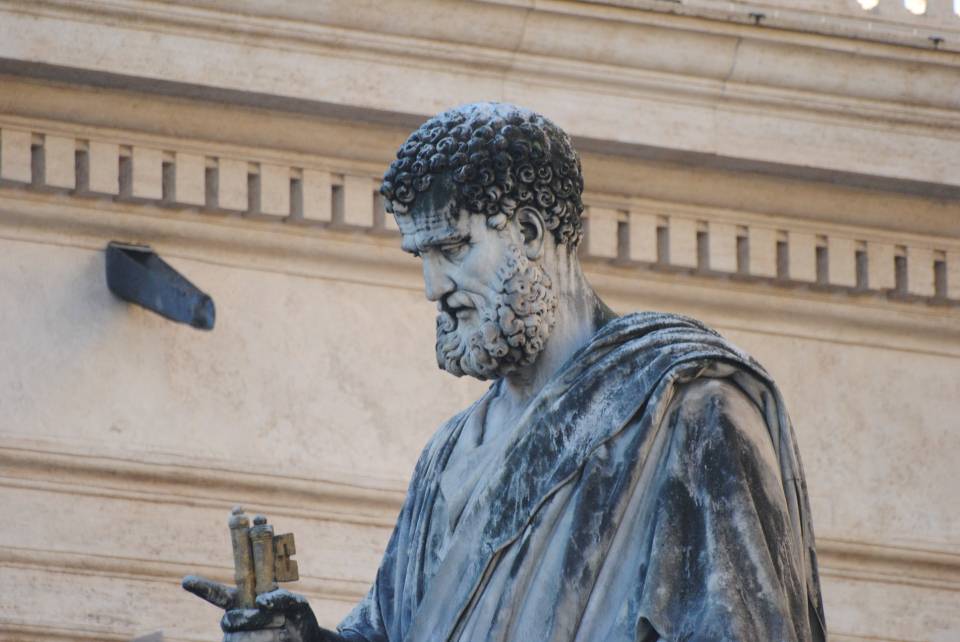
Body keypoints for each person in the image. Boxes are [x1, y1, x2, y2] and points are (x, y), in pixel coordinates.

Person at [184, 102, 827, 642]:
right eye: (421, 256)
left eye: (454, 248)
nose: (434, 286)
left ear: (529, 230)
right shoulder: (448, 456)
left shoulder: (687, 407)